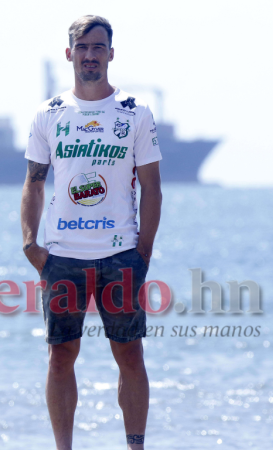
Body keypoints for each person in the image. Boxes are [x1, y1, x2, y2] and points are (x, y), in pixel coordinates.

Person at [20, 15, 162, 450]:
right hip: (63, 256)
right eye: (82, 47)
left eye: (98, 47)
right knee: (60, 356)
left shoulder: (134, 113)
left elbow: (153, 187)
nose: (90, 55)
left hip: (120, 255)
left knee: (130, 355)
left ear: (110, 54)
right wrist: (30, 243)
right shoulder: (49, 114)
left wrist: (143, 252)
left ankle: (134, 445)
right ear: (70, 54)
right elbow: (34, 182)